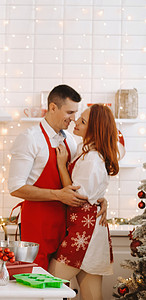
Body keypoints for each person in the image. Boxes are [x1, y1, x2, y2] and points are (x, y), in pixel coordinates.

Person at [8, 84, 107, 271]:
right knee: (36, 280)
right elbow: (15, 187)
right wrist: (58, 195)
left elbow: (80, 182)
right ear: (53, 107)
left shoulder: (70, 140)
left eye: (76, 113)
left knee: (60, 287)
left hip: (65, 225)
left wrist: (100, 198)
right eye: (69, 112)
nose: (74, 119)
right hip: (37, 224)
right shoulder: (29, 138)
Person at [49, 104, 118, 300]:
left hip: (84, 234)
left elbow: (76, 196)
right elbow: (91, 191)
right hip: (87, 230)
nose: (75, 121)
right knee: (92, 294)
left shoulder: (92, 158)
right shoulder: (84, 151)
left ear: (94, 129)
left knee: (50, 282)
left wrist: (61, 165)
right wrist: (101, 199)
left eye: (83, 121)